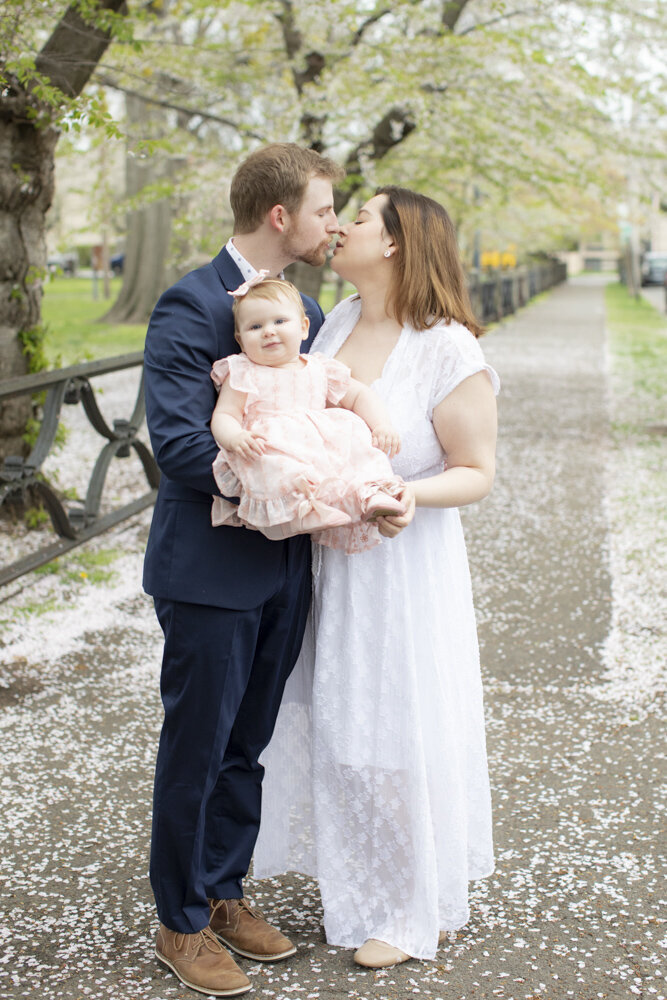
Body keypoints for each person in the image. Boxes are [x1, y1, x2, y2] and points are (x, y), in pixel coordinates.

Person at [254, 186, 499, 969]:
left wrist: (408, 495)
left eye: (358, 216)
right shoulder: (335, 322)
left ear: (394, 243)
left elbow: (476, 471)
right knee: (344, 722)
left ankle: (408, 901)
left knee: (399, 724)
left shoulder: (447, 346)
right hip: (331, 562)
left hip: (404, 567)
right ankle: (364, 879)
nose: (341, 227)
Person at [142, 143, 343, 998]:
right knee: (198, 745)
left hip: (285, 567)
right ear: (278, 216)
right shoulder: (189, 304)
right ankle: (179, 923)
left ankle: (224, 890)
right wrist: (283, 482)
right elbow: (182, 443)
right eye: (324, 209)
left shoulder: (306, 305)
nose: (332, 223)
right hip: (210, 568)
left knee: (246, 743)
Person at [210, 276, 406, 552]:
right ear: (240, 340)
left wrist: (381, 424)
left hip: (317, 448)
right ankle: (303, 507)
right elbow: (225, 415)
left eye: (279, 322)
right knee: (273, 463)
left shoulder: (321, 368)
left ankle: (368, 495)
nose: (268, 331)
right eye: (255, 326)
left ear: (303, 328)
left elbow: (359, 394)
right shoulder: (243, 371)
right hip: (272, 447)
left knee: (356, 443)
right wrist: (235, 437)